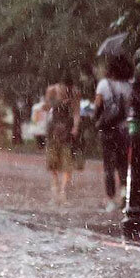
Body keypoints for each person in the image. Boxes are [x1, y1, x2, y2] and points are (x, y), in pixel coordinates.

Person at [94, 55, 133, 212]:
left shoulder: (104, 84)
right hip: (124, 130)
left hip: (108, 130)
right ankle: (124, 196)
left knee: (108, 166)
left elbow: (97, 106)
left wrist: (98, 119)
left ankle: (110, 200)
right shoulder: (129, 86)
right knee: (123, 165)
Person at [42, 75, 80, 203]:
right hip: (53, 129)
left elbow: (76, 112)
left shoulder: (74, 93)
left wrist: (75, 127)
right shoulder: (52, 90)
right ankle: (55, 187)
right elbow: (46, 108)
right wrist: (55, 102)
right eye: (63, 88)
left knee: (67, 162)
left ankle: (63, 191)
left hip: (66, 130)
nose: (65, 91)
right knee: (52, 162)